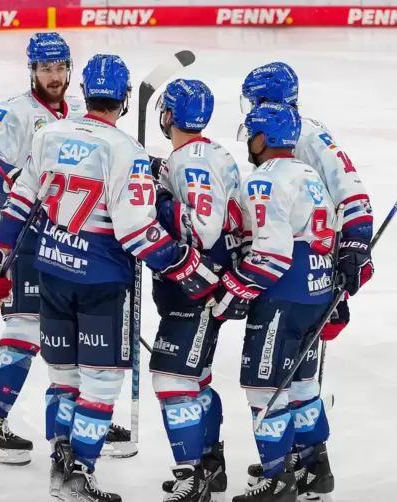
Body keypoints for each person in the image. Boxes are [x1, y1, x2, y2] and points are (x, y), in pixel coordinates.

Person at [0, 54, 221, 502]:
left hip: (51, 272)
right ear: (125, 100)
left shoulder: (49, 134)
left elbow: (18, 203)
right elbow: (137, 233)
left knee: (64, 378)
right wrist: (188, 267)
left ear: (84, 91)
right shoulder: (124, 150)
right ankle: (79, 475)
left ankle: (60, 466)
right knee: (101, 381)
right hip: (100, 282)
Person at [0, 33, 130, 466]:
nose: (54, 77)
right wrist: (22, 176)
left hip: (76, 242)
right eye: (45, 69)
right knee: (24, 330)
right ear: (31, 70)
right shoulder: (14, 112)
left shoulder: (79, 111)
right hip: (28, 238)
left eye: (60, 68)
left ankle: (80, 417)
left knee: (74, 333)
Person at [237, 63, 375, 501]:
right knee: (298, 376)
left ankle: (293, 463)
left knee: (287, 373)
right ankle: (306, 460)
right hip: (312, 266)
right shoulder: (286, 134)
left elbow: (351, 191)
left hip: (305, 271)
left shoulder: (308, 137)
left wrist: (353, 247)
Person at [209, 102, 337, 502]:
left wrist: (232, 290)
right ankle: (315, 467)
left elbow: (274, 255)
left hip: (284, 297)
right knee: (301, 385)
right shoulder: (310, 175)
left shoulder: (265, 179)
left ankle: (277, 479)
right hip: (318, 291)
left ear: (262, 138)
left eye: (251, 134)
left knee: (264, 388)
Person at [149, 79, 242, 502]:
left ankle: (192, 475)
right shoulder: (211, 153)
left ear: (169, 115)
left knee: (172, 379)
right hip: (206, 283)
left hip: (198, 285)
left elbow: (201, 228)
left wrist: (158, 200)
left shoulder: (192, 161)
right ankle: (210, 466)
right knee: (196, 379)